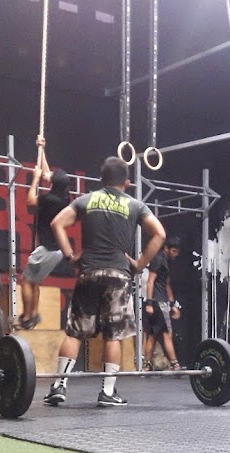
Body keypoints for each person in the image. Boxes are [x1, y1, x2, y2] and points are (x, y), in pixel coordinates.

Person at [44, 156, 166, 407]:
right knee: (113, 335)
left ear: (101, 180)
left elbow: (57, 223)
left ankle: (58, 386)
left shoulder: (87, 200)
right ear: (127, 182)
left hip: (88, 272)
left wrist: (70, 257)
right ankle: (108, 393)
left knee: (75, 332)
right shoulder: (135, 205)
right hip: (118, 275)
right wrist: (140, 264)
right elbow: (159, 234)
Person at [17, 137, 71, 330]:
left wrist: (35, 179)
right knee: (35, 282)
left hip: (46, 249)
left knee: (25, 281)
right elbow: (48, 174)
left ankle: (26, 317)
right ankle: (34, 315)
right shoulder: (64, 197)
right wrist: (42, 150)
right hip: (56, 251)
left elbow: (30, 201)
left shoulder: (50, 200)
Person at [141, 234, 183, 372]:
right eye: (173, 251)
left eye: (177, 252)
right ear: (166, 248)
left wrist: (173, 305)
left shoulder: (166, 261)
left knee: (152, 335)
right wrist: (149, 303)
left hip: (161, 302)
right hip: (158, 303)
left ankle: (146, 366)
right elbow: (150, 281)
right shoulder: (159, 259)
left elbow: (167, 284)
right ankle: (175, 365)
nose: (175, 254)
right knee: (166, 334)